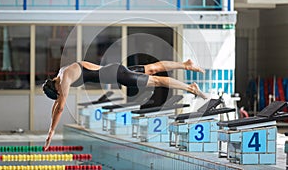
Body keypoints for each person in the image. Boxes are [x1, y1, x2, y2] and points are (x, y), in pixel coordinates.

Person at [42, 59, 207, 150]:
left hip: (118, 75)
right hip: (116, 70)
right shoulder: (62, 73)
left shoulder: (65, 79)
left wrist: (51, 132)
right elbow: (57, 104)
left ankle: (190, 87)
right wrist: (51, 127)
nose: (61, 95)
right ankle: (186, 64)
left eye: (58, 93)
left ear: (55, 87)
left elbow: (61, 107)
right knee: (151, 69)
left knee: (156, 81)